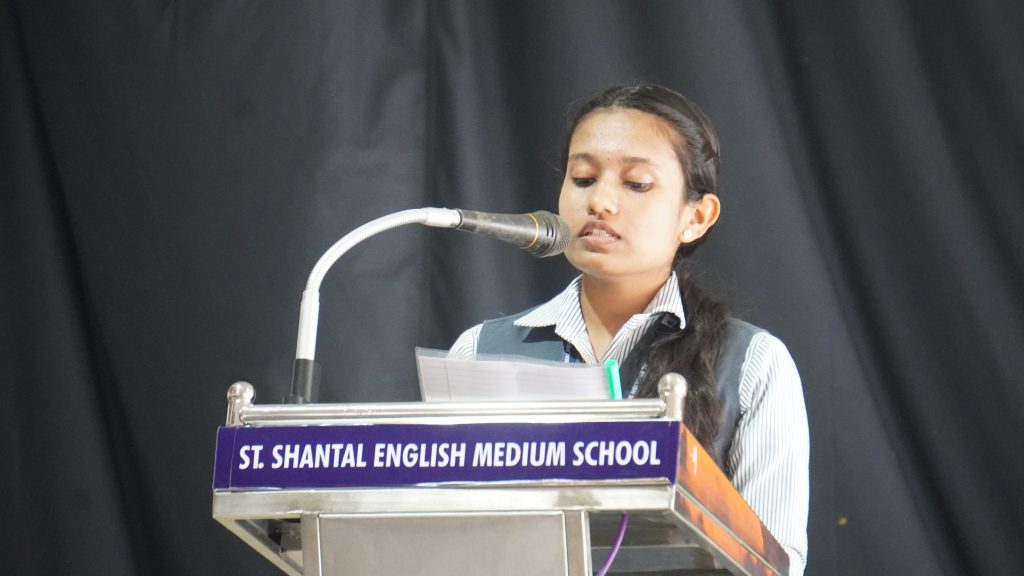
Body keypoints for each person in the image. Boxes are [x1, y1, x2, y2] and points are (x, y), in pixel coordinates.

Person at [448, 84, 809, 574]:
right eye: (582, 178)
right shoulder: (478, 351)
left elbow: (774, 563)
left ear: (696, 216)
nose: (599, 201)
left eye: (636, 184)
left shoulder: (752, 365)